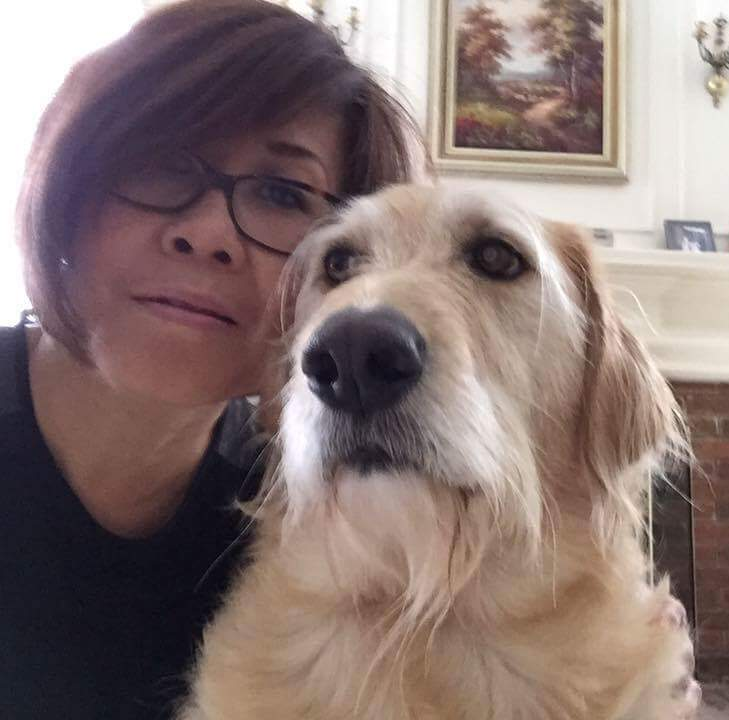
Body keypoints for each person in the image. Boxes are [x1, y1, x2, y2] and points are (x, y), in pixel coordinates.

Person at [0, 1, 423, 717]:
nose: (205, 234)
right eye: (161, 164)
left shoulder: (307, 529)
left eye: (282, 194)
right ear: (70, 187)